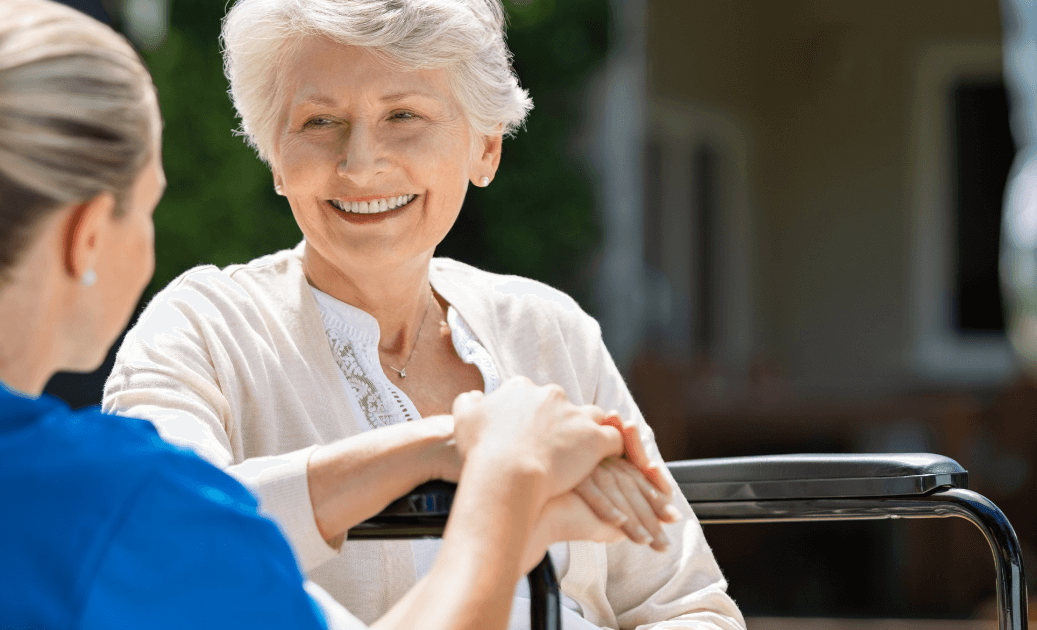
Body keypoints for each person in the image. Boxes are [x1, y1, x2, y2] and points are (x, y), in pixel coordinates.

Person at [0, 0, 639, 628]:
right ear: (83, 238)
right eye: (149, 205)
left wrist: (437, 443)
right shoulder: (123, 507)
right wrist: (503, 488)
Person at [102, 0, 746, 628]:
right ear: (276, 155)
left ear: (485, 148)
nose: (359, 162)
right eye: (320, 122)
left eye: (403, 114)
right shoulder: (200, 330)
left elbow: (687, 604)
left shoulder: (550, 329)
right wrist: (459, 448)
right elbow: (159, 541)